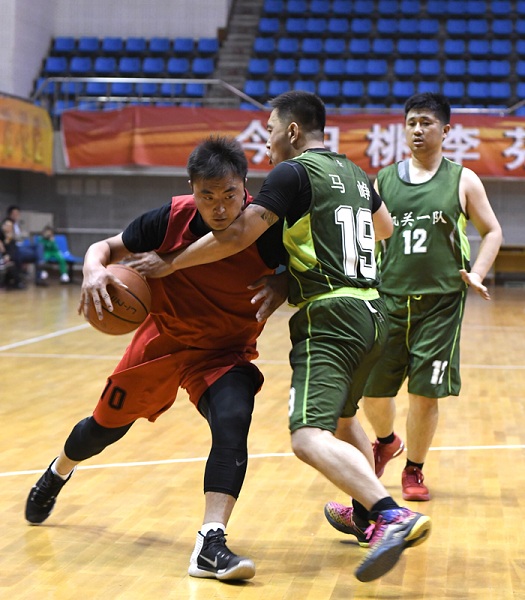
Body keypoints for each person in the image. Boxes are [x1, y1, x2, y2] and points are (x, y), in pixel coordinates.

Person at [153, 91, 432, 582]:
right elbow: (383, 229)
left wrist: (169, 264)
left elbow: (236, 234)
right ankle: (367, 516)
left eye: (269, 130)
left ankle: (390, 513)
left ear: (293, 131)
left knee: (306, 438)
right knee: (346, 421)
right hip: (375, 311)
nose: (265, 141)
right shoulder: (356, 173)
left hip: (331, 317)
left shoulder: (292, 173)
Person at [24, 136, 288, 582]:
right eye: (208, 196)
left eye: (230, 195)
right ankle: (58, 471)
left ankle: (210, 541)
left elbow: (307, 274)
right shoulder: (170, 218)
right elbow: (103, 250)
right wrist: (92, 271)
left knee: (234, 417)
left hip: (224, 350)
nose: (220, 208)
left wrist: (285, 286)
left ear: (246, 186)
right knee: (100, 431)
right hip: (162, 342)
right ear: (192, 188)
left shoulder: (268, 228)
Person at [325, 92, 502, 515]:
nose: (418, 130)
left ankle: (414, 469)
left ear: (445, 130)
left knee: (425, 394)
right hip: (387, 298)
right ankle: (386, 442)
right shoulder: (382, 181)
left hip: (441, 303)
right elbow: (364, 235)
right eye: (411, 123)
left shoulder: (463, 179)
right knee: (373, 391)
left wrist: (477, 271)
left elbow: (492, 230)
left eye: (426, 122)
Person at [6, 205, 47, 286]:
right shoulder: (7, 223)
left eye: (18, 214)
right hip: (16, 248)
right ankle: (39, 273)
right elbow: (9, 237)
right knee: (37, 255)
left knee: (39, 246)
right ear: (10, 214)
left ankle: (41, 262)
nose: (17, 215)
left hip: (23, 246)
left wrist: (22, 235)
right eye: (15, 214)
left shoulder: (17, 224)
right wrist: (19, 236)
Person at [0, 217, 25, 289]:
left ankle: (16, 282)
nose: (8, 228)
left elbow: (11, 251)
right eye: (6, 225)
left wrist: (7, 255)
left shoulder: (11, 240)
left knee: (13, 262)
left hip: (5, 260)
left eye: (10, 226)